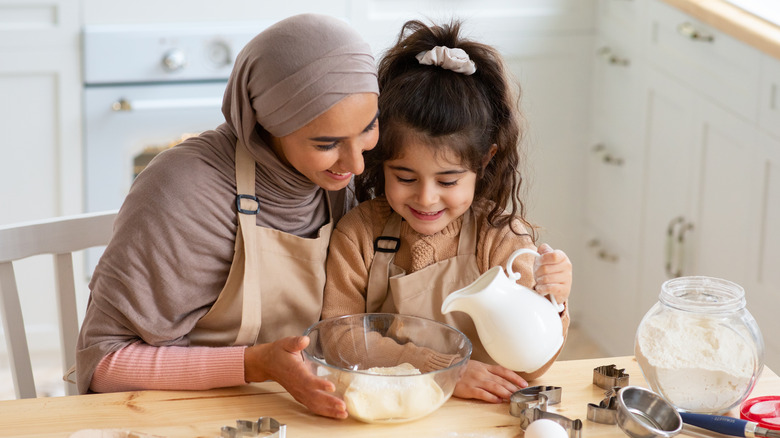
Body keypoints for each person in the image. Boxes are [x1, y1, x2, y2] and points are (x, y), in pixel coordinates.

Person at [75, 13, 379, 420]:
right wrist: (253, 364)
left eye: (369, 128)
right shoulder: (183, 192)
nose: (357, 165)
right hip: (185, 416)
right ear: (265, 124)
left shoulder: (360, 178)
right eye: (327, 143)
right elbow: (103, 365)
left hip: (307, 413)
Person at [322, 19, 572, 404]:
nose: (426, 198)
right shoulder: (360, 234)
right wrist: (442, 370)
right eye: (404, 177)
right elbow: (339, 339)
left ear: (484, 161)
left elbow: (531, 366)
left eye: (448, 181)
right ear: (380, 159)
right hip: (389, 411)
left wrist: (554, 302)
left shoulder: (501, 239)